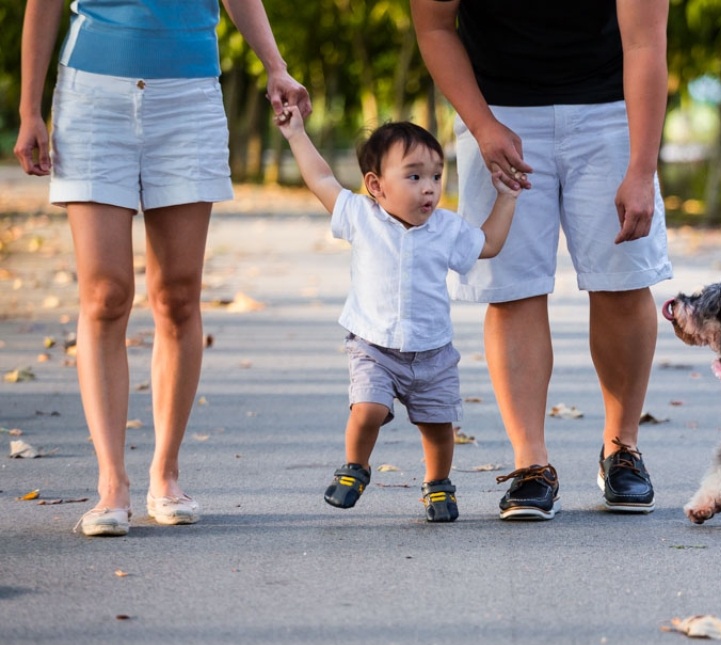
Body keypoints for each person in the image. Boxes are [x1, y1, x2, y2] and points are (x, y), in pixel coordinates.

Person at [14, 0, 311, 536]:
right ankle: (111, 483)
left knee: (177, 296)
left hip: (190, 97)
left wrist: (275, 66)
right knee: (105, 294)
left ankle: (166, 473)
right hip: (93, 95)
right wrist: (29, 108)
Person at [411, 0, 673, 520]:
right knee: (512, 288)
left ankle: (622, 449)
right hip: (498, 110)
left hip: (611, 111)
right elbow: (434, 26)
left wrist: (641, 167)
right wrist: (482, 125)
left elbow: (645, 40)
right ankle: (532, 464)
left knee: (621, 280)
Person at [274, 109, 520, 522]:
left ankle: (438, 484)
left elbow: (490, 243)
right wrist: (296, 132)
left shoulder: (447, 229)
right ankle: (355, 467)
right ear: (376, 185)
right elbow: (320, 179)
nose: (429, 189)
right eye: (414, 176)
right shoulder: (361, 217)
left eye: (436, 177)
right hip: (374, 347)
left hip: (433, 354)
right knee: (367, 409)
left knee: (439, 428)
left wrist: (507, 197)